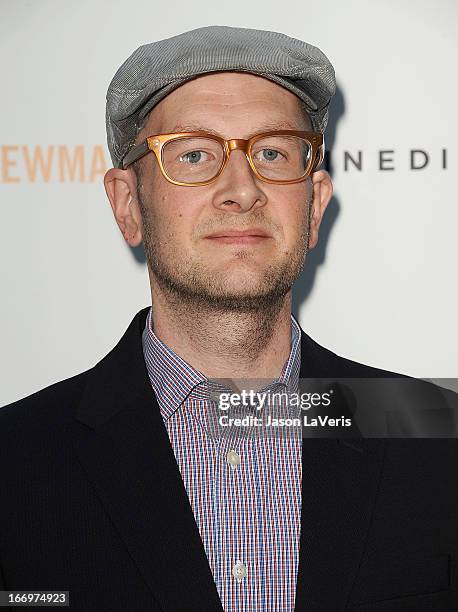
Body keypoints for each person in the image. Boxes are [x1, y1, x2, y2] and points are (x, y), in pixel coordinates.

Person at [0, 26, 456, 612]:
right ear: (128, 205)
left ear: (314, 207)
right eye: (193, 154)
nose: (241, 190)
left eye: (272, 153)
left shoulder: (438, 439)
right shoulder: (13, 466)